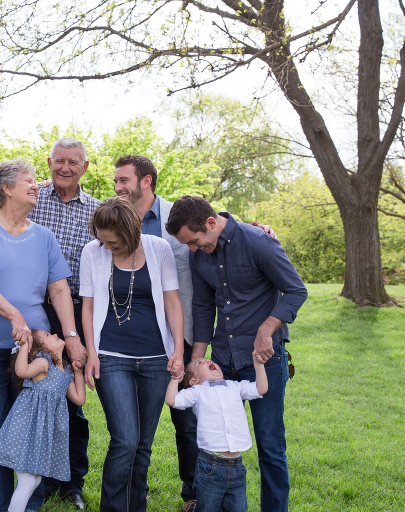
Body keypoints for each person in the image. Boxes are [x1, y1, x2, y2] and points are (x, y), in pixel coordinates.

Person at [112, 154, 277, 512]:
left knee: (189, 423)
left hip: (183, 336)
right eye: (116, 181)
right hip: (137, 339)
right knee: (135, 433)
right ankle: (138, 500)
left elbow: (218, 235)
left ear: (146, 181)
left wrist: (193, 354)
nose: (119, 187)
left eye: (125, 180)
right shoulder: (114, 215)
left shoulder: (176, 218)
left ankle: (195, 494)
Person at [0, 137, 99, 510]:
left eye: (73, 161)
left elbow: (61, 289)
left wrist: (72, 335)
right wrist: (15, 315)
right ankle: (7, 502)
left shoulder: (66, 223)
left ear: (84, 166)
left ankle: (49, 494)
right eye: (57, 161)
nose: (63, 168)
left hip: (51, 328)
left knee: (50, 418)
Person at [166, 196, 308, 512]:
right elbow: (202, 306)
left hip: (263, 360)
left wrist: (266, 328)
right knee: (211, 440)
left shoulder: (259, 242)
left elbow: (296, 290)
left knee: (270, 445)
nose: (192, 248)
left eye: (195, 240)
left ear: (211, 223)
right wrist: (195, 360)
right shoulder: (199, 255)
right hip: (222, 361)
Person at [81, 197, 186, 512]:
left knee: (142, 446)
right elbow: (87, 306)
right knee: (125, 439)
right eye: (102, 240)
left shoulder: (158, 249)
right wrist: (91, 352)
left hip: (156, 359)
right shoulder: (94, 252)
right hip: (110, 356)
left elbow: (172, 302)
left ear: (130, 232)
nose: (106, 246)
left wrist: (178, 349)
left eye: (112, 242)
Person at [0, 330, 86, 512]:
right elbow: (21, 370)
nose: (55, 334)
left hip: (42, 435)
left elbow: (79, 399)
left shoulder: (65, 371)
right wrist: (25, 345)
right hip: (28, 430)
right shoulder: (43, 363)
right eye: (49, 335)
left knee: (34, 480)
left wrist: (79, 372)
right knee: (27, 482)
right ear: (41, 347)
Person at [165, 353, 268, 512]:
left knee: (238, 508)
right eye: (200, 362)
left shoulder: (235, 386)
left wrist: (259, 365)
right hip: (210, 467)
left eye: (207, 360)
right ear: (194, 381)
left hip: (237, 466)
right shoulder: (197, 392)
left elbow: (260, 389)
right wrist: (174, 378)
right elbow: (172, 400)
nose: (207, 360)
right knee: (207, 508)